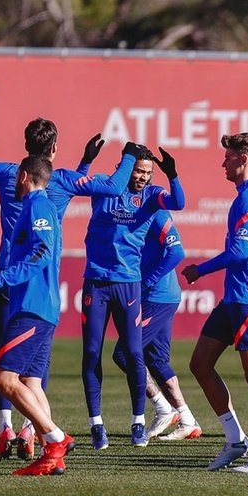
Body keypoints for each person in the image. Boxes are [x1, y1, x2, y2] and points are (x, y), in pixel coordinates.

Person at [0, 121, 135, 459]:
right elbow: (111, 187)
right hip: (37, 285)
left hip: (9, 278)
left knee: (2, 360)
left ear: (25, 147)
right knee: (31, 371)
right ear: (54, 150)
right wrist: (126, 158)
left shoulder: (10, 173)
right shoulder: (61, 179)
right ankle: (32, 430)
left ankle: (7, 427)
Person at [182, 133, 248, 472]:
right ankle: (236, 438)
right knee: (199, 363)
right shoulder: (246, 196)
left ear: (242, 159)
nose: (222, 163)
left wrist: (200, 269)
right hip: (234, 299)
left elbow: (240, 253)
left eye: (227, 158)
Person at [0, 156, 74, 475]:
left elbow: (41, 253)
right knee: (30, 381)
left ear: (23, 176)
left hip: (32, 308)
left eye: (15, 177)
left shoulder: (37, 206)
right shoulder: (37, 206)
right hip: (37, 307)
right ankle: (52, 456)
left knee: (4, 378)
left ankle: (56, 439)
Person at [81, 143, 184, 450]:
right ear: (125, 168)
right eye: (139, 171)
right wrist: (86, 160)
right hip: (96, 283)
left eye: (148, 173)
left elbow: (178, 202)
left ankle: (138, 422)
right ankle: (97, 426)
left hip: (128, 285)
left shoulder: (151, 198)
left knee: (135, 355)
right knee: (91, 353)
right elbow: (75, 183)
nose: (142, 177)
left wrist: (173, 174)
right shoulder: (105, 187)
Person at [111, 209, 201, 441]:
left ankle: (163, 408)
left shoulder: (157, 213)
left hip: (157, 297)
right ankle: (188, 420)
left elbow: (176, 252)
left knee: (124, 354)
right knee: (157, 360)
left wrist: (147, 282)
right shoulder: (126, 212)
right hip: (160, 297)